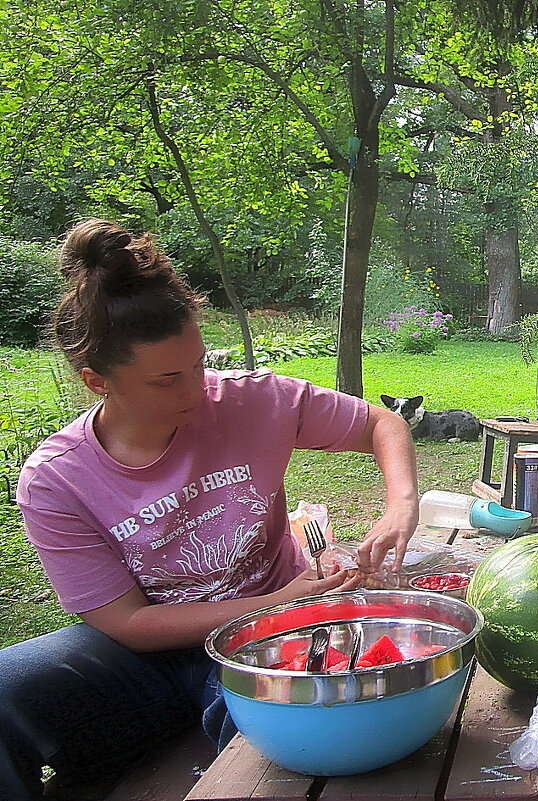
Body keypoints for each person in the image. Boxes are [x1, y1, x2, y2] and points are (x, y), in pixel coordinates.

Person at [0, 219, 419, 801]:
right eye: (167, 380)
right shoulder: (56, 480)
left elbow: (381, 422)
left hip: (266, 639)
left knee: (280, 742)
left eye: (199, 364)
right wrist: (282, 599)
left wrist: (400, 505)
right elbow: (127, 624)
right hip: (150, 656)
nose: (196, 390)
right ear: (97, 381)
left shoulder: (251, 400)